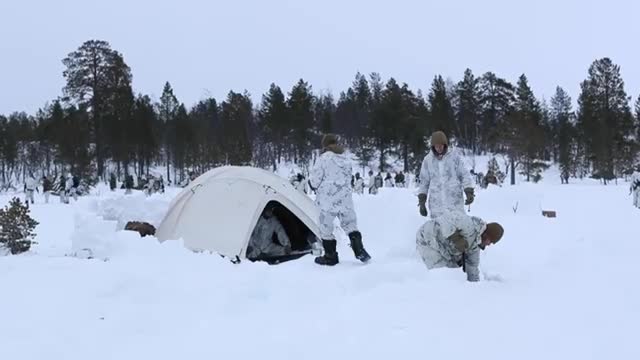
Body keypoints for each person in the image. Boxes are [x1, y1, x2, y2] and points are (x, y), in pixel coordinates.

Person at [309, 134, 371, 265]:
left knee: (325, 227)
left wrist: (312, 185)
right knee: (350, 224)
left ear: (325, 145)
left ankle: (330, 256)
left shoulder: (323, 159)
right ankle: (359, 249)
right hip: (345, 199)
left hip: (328, 199)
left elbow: (315, 181)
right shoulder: (346, 159)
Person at [416, 211, 504, 282]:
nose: (489, 244)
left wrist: (475, 287)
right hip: (428, 239)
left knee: (455, 277)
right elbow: (445, 220)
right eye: (490, 241)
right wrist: (456, 238)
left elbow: (472, 266)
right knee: (442, 277)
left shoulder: (475, 246)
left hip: (444, 252)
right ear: (486, 234)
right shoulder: (468, 223)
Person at [417, 131, 475, 218]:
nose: (439, 148)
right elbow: (424, 182)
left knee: (458, 227)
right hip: (437, 205)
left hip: (454, 203)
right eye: (436, 146)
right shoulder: (427, 160)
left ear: (445, 145)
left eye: (441, 145)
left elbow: (464, 175)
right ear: (433, 146)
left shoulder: (454, 157)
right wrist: (422, 201)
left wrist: (468, 191)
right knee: (439, 229)